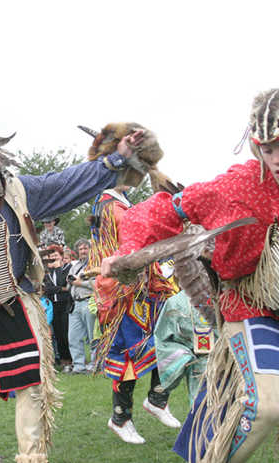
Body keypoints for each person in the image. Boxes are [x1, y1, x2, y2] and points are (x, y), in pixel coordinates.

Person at [101, 84, 279, 462]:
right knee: (265, 407)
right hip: (248, 306)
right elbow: (167, 211)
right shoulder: (240, 187)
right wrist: (127, 252)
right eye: (267, 150)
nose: (277, 160)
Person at [0, 108, 144, 463]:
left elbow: (67, 182)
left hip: (17, 299)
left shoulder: (18, 193)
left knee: (30, 386)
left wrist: (114, 159)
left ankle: (31, 456)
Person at [89, 186, 181, 445]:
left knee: (167, 339)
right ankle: (121, 417)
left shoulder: (121, 202)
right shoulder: (109, 205)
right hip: (122, 292)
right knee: (128, 355)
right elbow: (131, 238)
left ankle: (157, 398)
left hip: (143, 288)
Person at [154, 290, 215, 407]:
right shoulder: (177, 303)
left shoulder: (231, 294)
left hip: (233, 365)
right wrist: (184, 356)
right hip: (200, 371)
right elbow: (164, 340)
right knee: (203, 412)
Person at [67, 239, 96, 374]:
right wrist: (71, 281)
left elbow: (98, 284)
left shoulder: (95, 264)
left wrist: (81, 283)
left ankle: (95, 363)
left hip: (89, 301)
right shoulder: (74, 266)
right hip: (75, 303)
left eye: (85, 248)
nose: (83, 251)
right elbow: (70, 283)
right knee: (73, 336)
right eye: (81, 249)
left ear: (90, 249)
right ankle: (79, 365)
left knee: (93, 336)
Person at [43, 245, 73, 372]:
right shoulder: (48, 273)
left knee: (66, 332)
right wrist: (61, 289)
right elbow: (47, 288)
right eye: (51, 256)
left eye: (56, 255)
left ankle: (72, 360)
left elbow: (66, 284)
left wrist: (59, 269)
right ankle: (63, 360)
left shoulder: (66, 269)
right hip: (53, 305)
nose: (54, 258)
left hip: (65, 304)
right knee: (58, 334)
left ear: (61, 256)